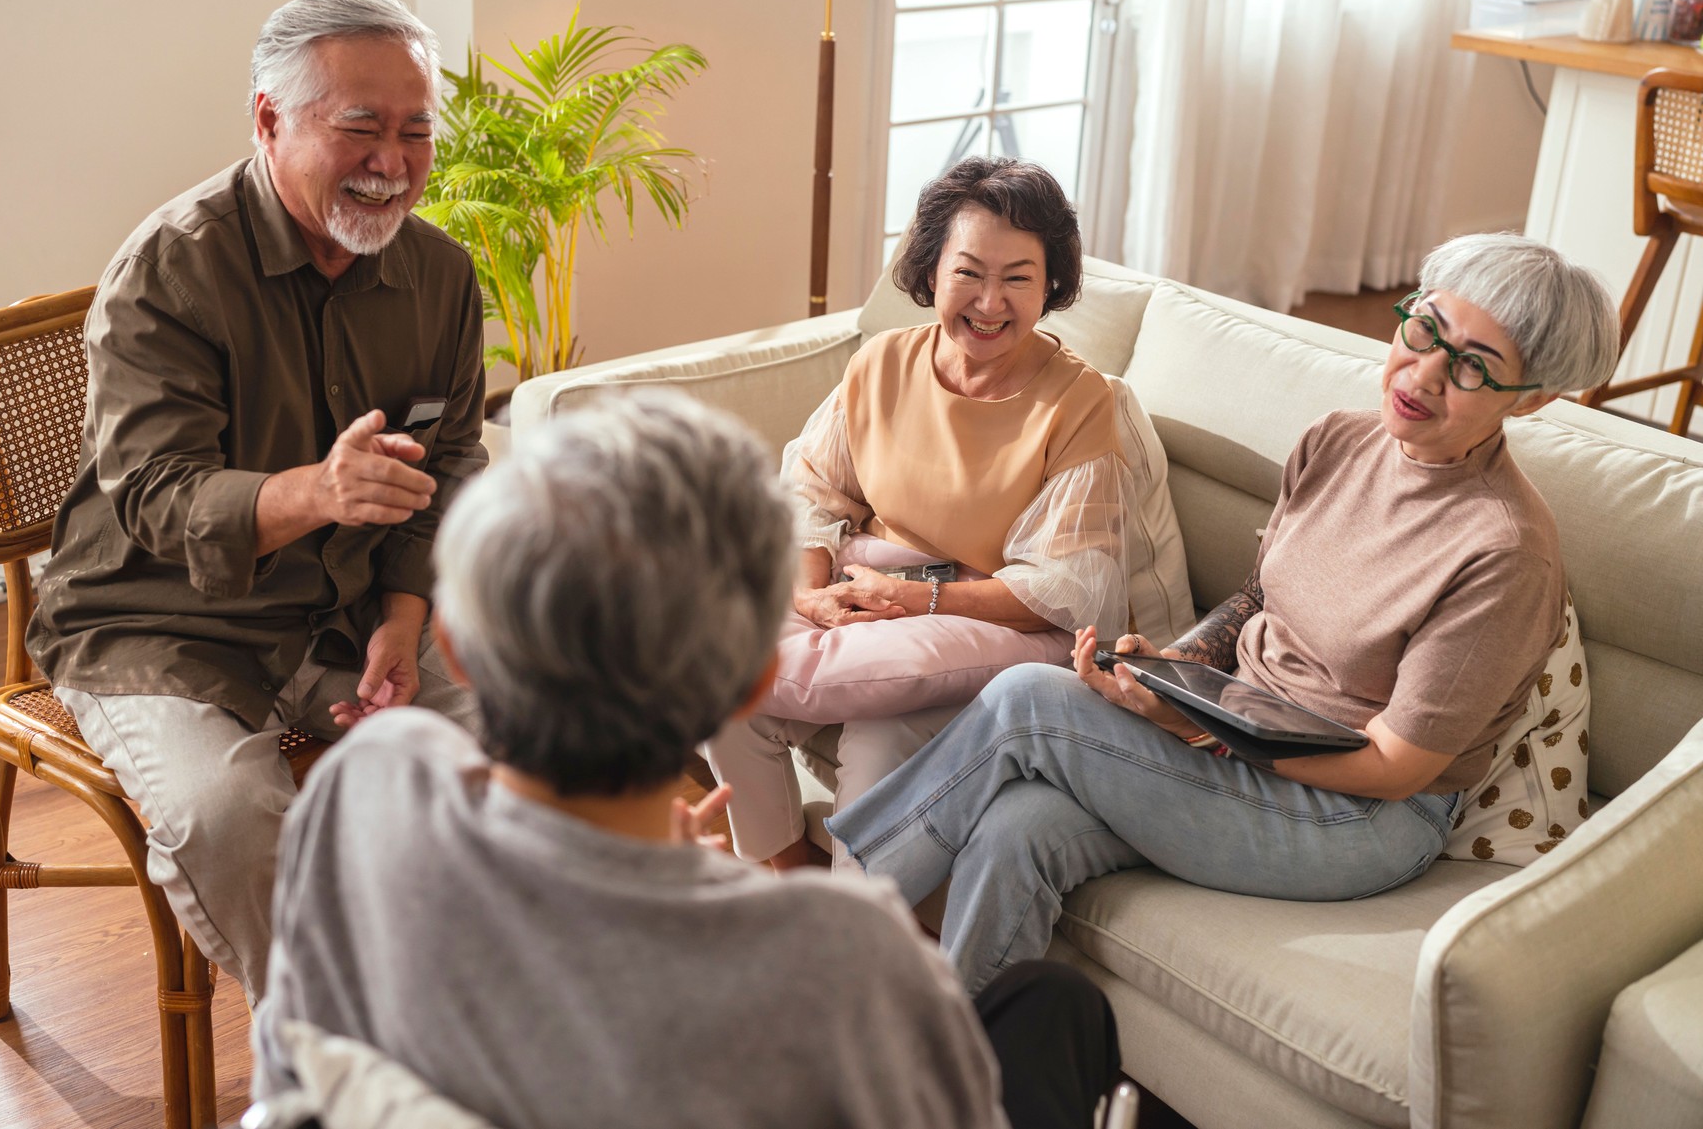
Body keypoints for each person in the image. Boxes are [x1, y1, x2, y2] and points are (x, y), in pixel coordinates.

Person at [251, 391, 1122, 1129]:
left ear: (458, 646)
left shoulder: (366, 789)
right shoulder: (851, 957)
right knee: (1056, 1008)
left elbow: (293, 1073)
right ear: (747, 685)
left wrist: (625, 866)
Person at [826, 233, 1622, 995]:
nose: (1423, 374)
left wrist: (1202, 730)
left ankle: (815, 945)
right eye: (1424, 330)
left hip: (1357, 816)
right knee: (1018, 828)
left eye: (1474, 368)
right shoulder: (1338, 441)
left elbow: (1396, 767)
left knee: (1025, 701)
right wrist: (1167, 674)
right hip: (1243, 731)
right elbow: (1255, 599)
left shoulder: (1506, 551)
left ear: (1536, 398)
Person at [26, 0, 486, 1002]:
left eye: (417, 132)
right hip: (156, 624)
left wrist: (404, 623)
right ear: (269, 120)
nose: (395, 162)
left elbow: (450, 469)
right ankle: (329, 1062)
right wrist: (320, 492)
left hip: (354, 613)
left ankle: (470, 1019)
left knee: (522, 746)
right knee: (228, 814)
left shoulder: (442, 278)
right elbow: (154, 497)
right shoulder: (169, 270)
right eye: (360, 127)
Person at [705, 157, 1131, 870]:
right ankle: (782, 882)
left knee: (879, 732)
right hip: (869, 587)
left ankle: (853, 930)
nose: (990, 302)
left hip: (987, 621)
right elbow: (812, 491)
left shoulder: (1080, 404)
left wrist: (911, 599)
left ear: (1052, 284)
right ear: (931, 271)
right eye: (969, 272)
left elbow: (1070, 589)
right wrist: (809, 591)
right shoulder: (882, 363)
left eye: (1018, 278)